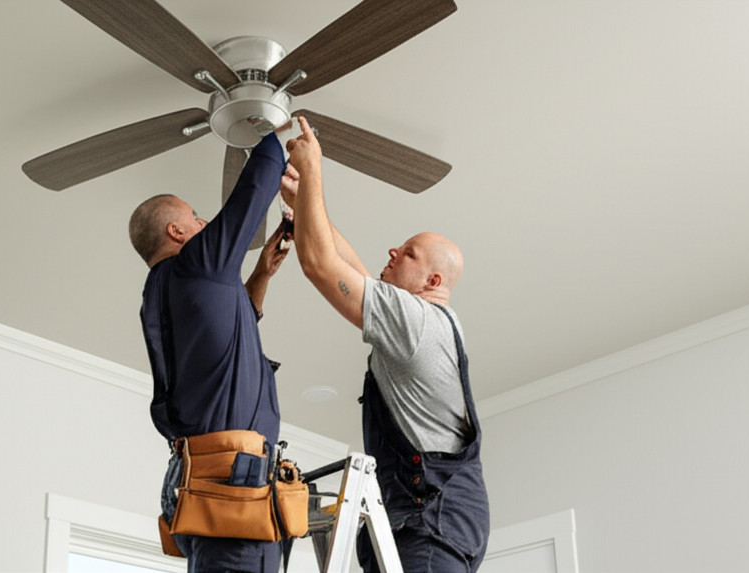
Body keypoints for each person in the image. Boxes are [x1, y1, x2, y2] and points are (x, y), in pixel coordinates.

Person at [283, 116, 490, 572]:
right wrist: (304, 204)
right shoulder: (415, 320)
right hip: (417, 526)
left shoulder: (417, 323)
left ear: (433, 280)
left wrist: (314, 168)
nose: (393, 252)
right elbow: (348, 267)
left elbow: (320, 265)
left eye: (409, 253)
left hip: (428, 528)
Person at [129, 132, 292, 573]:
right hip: (230, 483)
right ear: (176, 231)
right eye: (196, 218)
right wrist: (273, 135)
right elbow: (253, 193)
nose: (204, 225)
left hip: (196, 484)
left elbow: (223, 341)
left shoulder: (158, 294)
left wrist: (259, 276)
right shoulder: (196, 263)